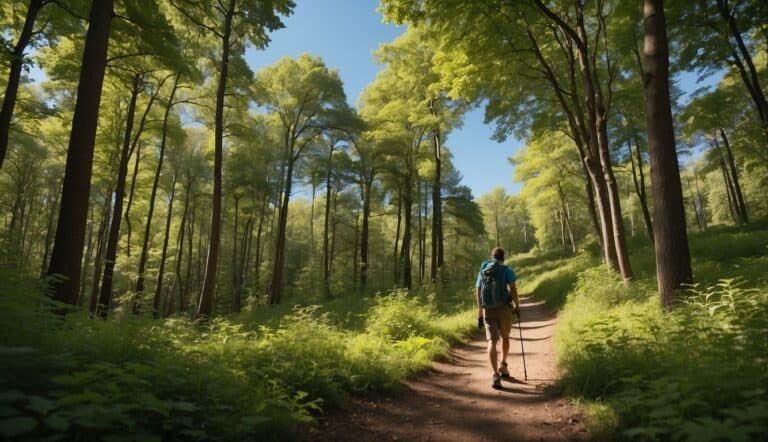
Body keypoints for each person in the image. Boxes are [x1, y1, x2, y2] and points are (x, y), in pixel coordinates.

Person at [475, 247, 520, 389]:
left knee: (491, 342)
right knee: (505, 337)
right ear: (503, 257)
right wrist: (517, 306)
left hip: (488, 309)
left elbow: (478, 291)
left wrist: (480, 312)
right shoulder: (506, 270)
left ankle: (495, 375)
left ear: (491, 256)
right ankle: (503, 364)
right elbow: (513, 289)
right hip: (504, 309)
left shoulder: (483, 270)